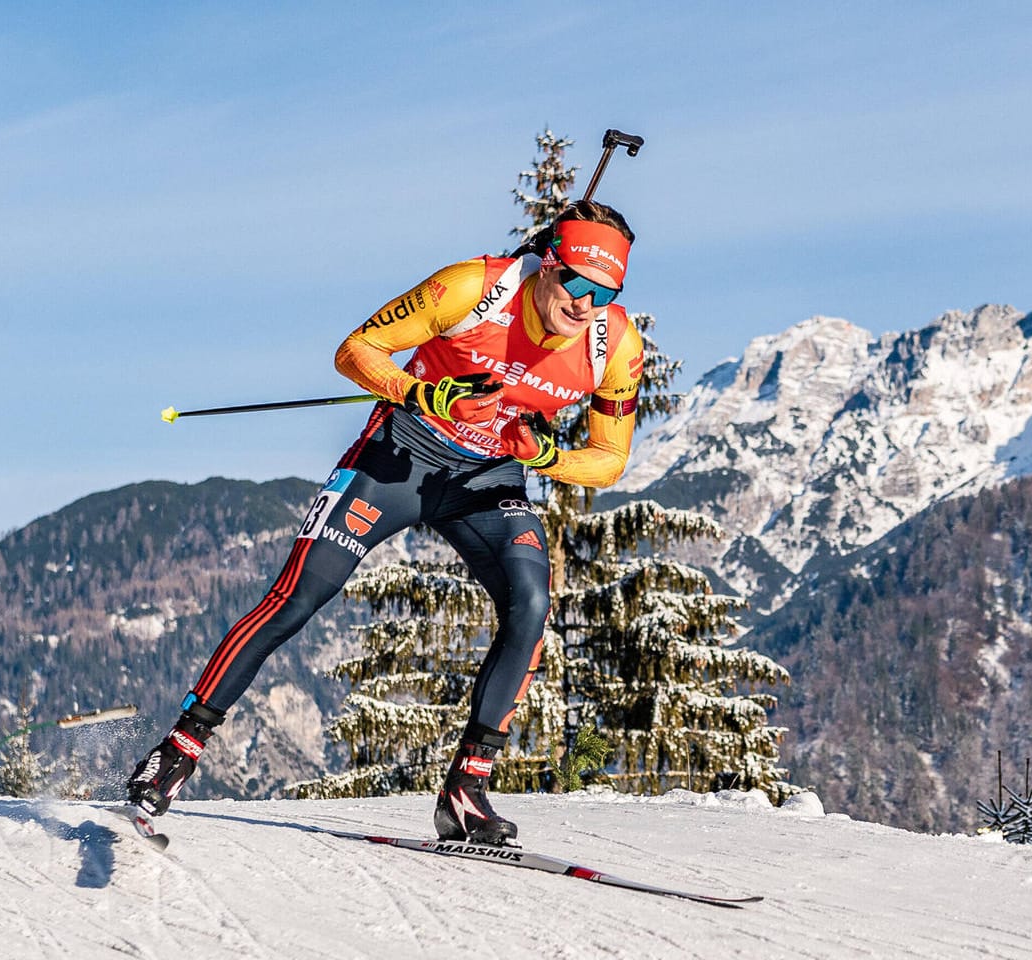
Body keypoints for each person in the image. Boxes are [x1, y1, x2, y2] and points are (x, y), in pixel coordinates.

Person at [125, 200, 645, 845]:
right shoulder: (471, 289)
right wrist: (420, 392)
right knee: (300, 596)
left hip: (488, 481)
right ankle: (177, 751)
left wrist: (545, 456)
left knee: (531, 601)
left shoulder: (614, 344)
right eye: (576, 283)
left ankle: (466, 789)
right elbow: (356, 351)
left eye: (606, 292)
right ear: (547, 263)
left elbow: (608, 460)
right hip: (399, 457)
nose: (586, 304)